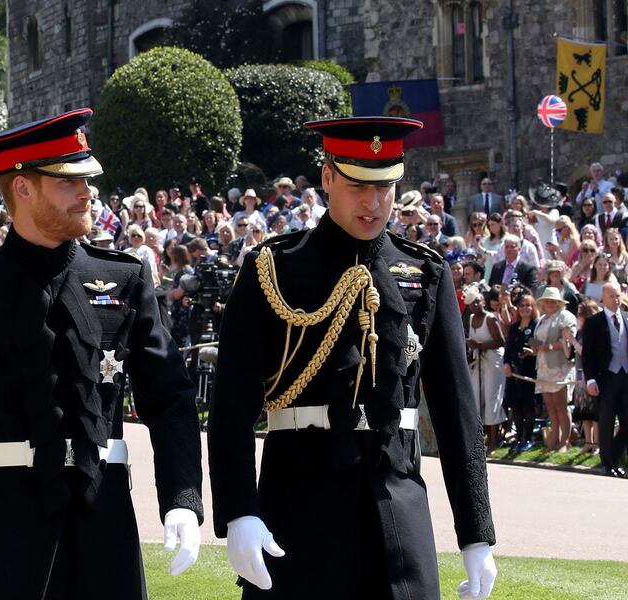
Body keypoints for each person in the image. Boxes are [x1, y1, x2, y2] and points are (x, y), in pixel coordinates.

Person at [0, 108, 203, 600]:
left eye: (88, 178)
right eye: (69, 181)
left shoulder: (124, 277)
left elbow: (169, 396)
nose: (88, 191)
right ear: (23, 187)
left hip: (104, 514)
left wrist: (182, 498)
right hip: (4, 526)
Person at [208, 116, 497, 599]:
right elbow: (232, 404)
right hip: (300, 499)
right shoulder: (274, 268)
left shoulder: (423, 272)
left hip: (396, 501)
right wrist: (240, 510)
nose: (374, 202)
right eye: (358, 186)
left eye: (385, 188)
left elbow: (456, 414)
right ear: (327, 178)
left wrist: (476, 532)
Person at [582, 282, 628, 477]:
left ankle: (614, 456)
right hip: (606, 377)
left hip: (626, 376)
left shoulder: (626, 318)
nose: (616, 300)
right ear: (603, 298)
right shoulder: (594, 322)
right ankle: (608, 464)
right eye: (611, 296)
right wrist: (590, 379)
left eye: (618, 296)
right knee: (607, 421)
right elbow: (588, 354)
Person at [531, 287, 577, 452]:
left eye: (553, 301)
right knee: (550, 404)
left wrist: (549, 346)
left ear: (558, 303)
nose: (550, 304)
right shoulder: (542, 319)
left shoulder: (565, 316)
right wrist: (534, 348)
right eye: (547, 301)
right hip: (543, 366)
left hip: (560, 366)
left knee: (561, 404)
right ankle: (554, 438)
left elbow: (569, 340)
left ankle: (565, 441)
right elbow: (538, 341)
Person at [465, 287, 507, 453]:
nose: (476, 305)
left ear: (483, 301)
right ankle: (479, 438)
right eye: (472, 303)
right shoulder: (472, 319)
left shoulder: (490, 319)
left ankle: (493, 440)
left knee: (491, 399)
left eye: (478, 301)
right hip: (478, 361)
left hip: (493, 363)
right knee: (476, 398)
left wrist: (480, 345)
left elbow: (500, 341)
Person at [503, 293, 539, 452]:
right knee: (516, 407)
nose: (525, 308)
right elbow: (508, 348)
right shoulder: (514, 327)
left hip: (529, 371)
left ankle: (528, 438)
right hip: (513, 372)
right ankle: (518, 439)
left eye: (528, 305)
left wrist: (531, 351)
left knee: (528, 407)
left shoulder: (536, 325)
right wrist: (506, 364)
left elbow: (537, 347)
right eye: (522, 305)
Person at [566, 299, 601, 455]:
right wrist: (566, 339)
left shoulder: (593, 331)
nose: (578, 317)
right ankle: (588, 441)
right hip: (580, 373)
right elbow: (571, 355)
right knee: (584, 410)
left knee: (594, 410)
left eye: (581, 314)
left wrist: (572, 340)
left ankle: (597, 443)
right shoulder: (581, 332)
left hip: (592, 374)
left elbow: (585, 352)